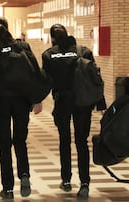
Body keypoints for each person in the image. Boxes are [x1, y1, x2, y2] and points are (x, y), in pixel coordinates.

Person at [0, 16, 42, 199]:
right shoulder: (22, 47)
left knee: (4, 146)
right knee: (20, 141)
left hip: (0, 101)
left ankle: (8, 189)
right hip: (22, 101)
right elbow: (35, 72)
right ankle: (25, 175)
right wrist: (37, 99)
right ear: (7, 28)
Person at [41, 24, 106, 200]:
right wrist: (101, 102)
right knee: (81, 142)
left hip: (62, 102)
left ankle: (66, 179)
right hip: (83, 103)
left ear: (53, 38)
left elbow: (45, 81)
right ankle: (84, 183)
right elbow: (95, 76)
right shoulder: (83, 51)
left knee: (64, 141)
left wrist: (35, 100)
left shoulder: (49, 55)